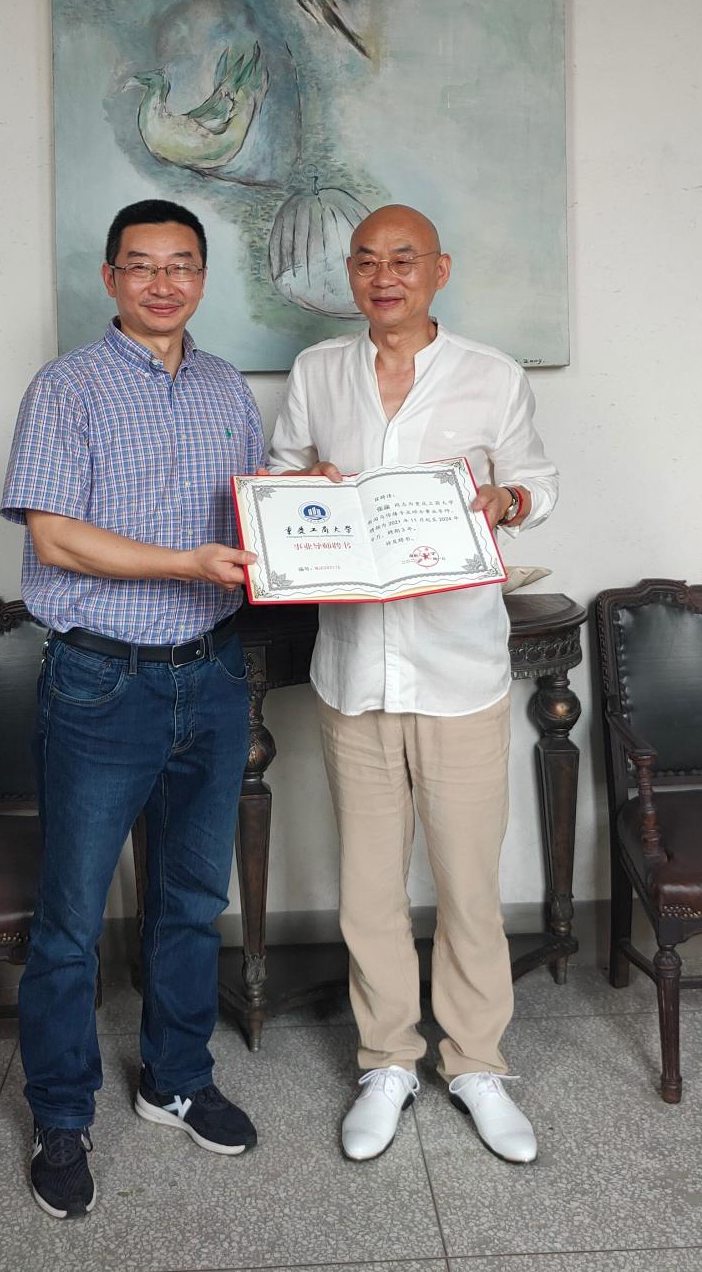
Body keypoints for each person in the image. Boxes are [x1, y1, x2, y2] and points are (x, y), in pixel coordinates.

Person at [268, 204, 559, 1164]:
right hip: (352, 666)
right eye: (366, 260)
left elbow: (538, 482)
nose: (383, 275)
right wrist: (309, 485)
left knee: (470, 884)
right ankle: (386, 1059)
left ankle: (476, 1064)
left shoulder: (492, 374)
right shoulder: (317, 371)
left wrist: (506, 498)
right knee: (367, 887)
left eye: (404, 259)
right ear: (349, 275)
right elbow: (277, 481)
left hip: (459, 666)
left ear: (440, 269)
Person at [1, 199, 263, 1219]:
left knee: (192, 897)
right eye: (142, 265)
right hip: (101, 681)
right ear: (110, 277)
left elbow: (253, 514)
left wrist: (314, 507)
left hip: (214, 673)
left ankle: (176, 1077)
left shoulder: (227, 385)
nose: (163, 282)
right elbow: (55, 538)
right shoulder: (65, 386)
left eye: (181, 264)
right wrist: (185, 563)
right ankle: (62, 1114)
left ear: (202, 276)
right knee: (71, 919)